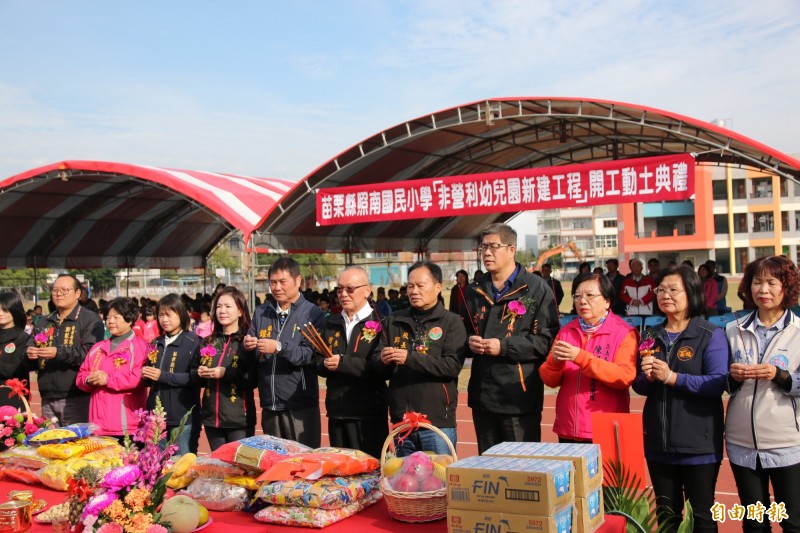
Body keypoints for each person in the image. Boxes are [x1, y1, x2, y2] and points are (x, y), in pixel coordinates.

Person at [633, 264, 728, 532]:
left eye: (674, 289)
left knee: (702, 517)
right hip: (658, 444)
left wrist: (672, 377)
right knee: (666, 518)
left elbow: (717, 382)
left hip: (699, 446)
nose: (665, 295)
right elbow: (639, 385)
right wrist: (648, 378)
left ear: (691, 293)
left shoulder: (710, 334)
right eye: (660, 289)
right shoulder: (650, 335)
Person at [462, 223, 559, 453]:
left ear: (512, 250)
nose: (486, 253)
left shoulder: (536, 288)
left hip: (518, 396)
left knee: (522, 470)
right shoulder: (474, 290)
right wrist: (468, 342)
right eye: (483, 247)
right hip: (483, 395)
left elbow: (546, 340)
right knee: (488, 468)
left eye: (494, 246)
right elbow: (462, 331)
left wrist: (503, 346)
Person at [726, 256, 800, 532]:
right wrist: (732, 377)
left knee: (792, 521)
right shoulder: (733, 330)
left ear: (786, 287)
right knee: (755, 523)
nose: (763, 290)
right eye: (757, 282)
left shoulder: (798, 332)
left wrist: (778, 375)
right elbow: (722, 382)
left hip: (787, 444)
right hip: (741, 444)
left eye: (772, 282)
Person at [377, 261, 466, 455]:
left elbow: (451, 366)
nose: (414, 291)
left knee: (439, 481)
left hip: (436, 423)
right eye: (410, 286)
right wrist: (382, 360)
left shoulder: (452, 322)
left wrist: (409, 358)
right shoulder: (395, 320)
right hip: (403, 423)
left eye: (420, 285)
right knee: (403, 483)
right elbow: (379, 366)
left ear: (438, 287)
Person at [539, 273, 638, 442]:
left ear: (607, 301)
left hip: (605, 428)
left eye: (590, 295)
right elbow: (550, 380)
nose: (582, 301)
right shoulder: (566, 331)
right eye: (577, 296)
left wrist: (581, 358)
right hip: (568, 427)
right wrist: (554, 363)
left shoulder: (624, 333)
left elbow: (624, 376)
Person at [244, 257, 325, 448]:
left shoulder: (312, 313)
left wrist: (279, 347)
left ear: (298, 281)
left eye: (282, 282)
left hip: (299, 403)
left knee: (303, 461)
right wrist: (248, 345)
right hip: (269, 402)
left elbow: (309, 355)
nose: (277, 287)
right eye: (273, 282)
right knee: (274, 462)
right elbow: (254, 353)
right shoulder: (261, 312)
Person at [314, 267, 388, 458]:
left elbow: (381, 368)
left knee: (371, 474)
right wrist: (325, 365)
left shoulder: (382, 324)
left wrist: (343, 363)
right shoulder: (331, 323)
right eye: (339, 290)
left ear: (367, 290)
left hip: (368, 415)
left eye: (350, 289)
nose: (343, 294)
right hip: (337, 412)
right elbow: (316, 359)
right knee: (341, 474)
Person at [27, 274, 105, 425]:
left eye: (64, 290)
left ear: (77, 293)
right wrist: (30, 353)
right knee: (50, 444)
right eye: (55, 290)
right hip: (47, 395)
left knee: (76, 444)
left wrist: (58, 352)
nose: (58, 293)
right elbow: (30, 345)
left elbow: (91, 355)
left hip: (76, 396)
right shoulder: (44, 321)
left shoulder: (89, 319)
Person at [76, 297, 148, 441]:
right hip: (97, 425)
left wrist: (108, 380)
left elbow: (138, 379)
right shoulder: (97, 348)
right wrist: (88, 380)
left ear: (129, 319)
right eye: (108, 317)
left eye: (116, 317)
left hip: (126, 425)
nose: (110, 321)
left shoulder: (141, 347)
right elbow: (81, 376)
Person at [141, 294, 201, 455]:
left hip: (182, 417)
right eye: (160, 315)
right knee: (155, 466)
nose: (164, 319)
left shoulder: (194, 342)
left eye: (169, 314)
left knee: (182, 466)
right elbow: (150, 376)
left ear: (181, 314)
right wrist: (145, 375)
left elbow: (195, 378)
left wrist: (162, 375)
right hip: (156, 417)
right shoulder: (156, 342)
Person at [198, 287, 257, 450]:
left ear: (240, 311)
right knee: (218, 468)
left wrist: (225, 373)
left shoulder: (247, 342)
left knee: (238, 470)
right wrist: (200, 373)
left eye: (228, 306)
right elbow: (195, 373)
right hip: (212, 418)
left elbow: (252, 379)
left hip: (238, 419)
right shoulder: (208, 341)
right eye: (218, 306)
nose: (222, 311)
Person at [0, 292, 31, 410]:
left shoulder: (23, 339)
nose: (0, 314)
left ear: (14, 310)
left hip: (13, 397)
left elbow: (15, 369)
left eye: (5, 310)